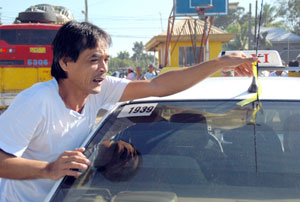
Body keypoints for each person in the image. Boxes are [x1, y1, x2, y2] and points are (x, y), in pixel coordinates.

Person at [0, 20, 256, 202]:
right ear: (65, 62)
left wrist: (219, 63)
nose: (103, 69)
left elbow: (159, 85)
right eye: (94, 60)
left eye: (106, 60)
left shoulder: (99, 91)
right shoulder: (36, 102)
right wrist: (48, 169)